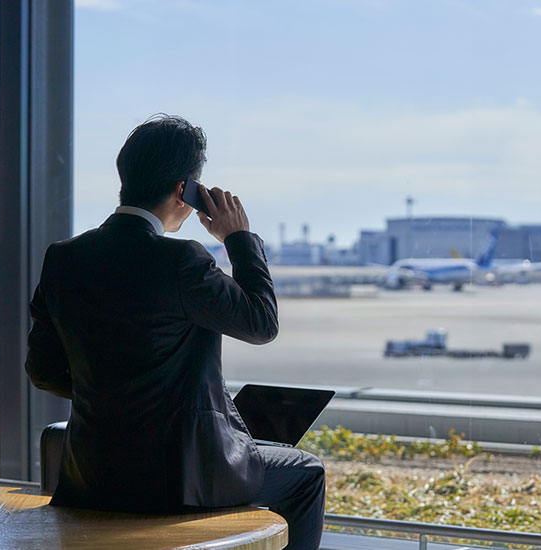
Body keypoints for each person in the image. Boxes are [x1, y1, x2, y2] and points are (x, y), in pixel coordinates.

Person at [25, 114, 325, 548]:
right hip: (178, 480)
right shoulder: (182, 261)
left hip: (91, 474)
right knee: (305, 473)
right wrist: (238, 237)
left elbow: (43, 371)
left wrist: (121, 396)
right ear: (184, 190)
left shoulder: (64, 257)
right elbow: (262, 323)